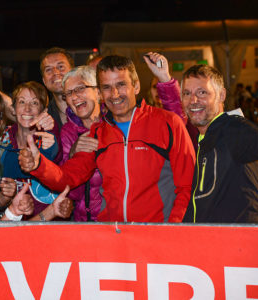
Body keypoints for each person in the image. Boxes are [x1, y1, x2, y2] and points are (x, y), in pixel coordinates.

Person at [19, 55, 196, 223]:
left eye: (121, 84)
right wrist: (39, 165)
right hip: (114, 238)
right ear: (100, 93)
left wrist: (172, 229)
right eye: (106, 87)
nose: (114, 94)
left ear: (136, 86)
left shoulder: (167, 123)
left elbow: (187, 186)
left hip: (157, 236)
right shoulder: (98, 132)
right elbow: (68, 177)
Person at [181, 65, 258, 223]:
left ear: (221, 95)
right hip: (209, 242)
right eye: (187, 93)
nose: (193, 100)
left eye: (202, 92)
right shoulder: (204, 137)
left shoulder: (235, 129)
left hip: (237, 243)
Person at [0, 35, 73, 129]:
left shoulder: (89, 104)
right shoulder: (39, 115)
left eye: (61, 66)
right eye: (48, 70)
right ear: (44, 81)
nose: (56, 72)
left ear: (72, 71)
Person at [0, 81, 73, 221]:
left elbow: (54, 151)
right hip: (11, 225)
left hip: (49, 224)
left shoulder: (49, 135)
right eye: (21, 102)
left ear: (44, 111)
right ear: (13, 109)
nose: (27, 109)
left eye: (34, 103)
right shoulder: (4, 137)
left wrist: (51, 135)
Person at [59, 66, 102, 221]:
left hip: (119, 222)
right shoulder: (68, 132)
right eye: (69, 93)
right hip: (85, 223)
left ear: (98, 92)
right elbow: (70, 192)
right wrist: (73, 155)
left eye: (81, 88)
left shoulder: (116, 122)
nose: (75, 96)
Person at [143, 52, 199, 149]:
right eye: (154, 87)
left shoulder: (186, 115)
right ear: (149, 91)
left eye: (160, 87)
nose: (158, 91)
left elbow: (175, 111)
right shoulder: (143, 116)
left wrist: (164, 78)